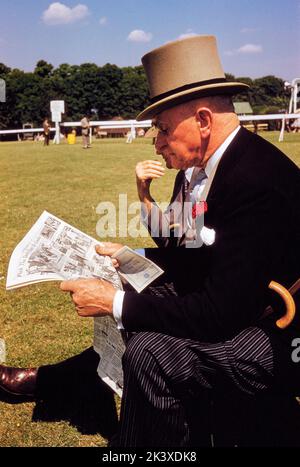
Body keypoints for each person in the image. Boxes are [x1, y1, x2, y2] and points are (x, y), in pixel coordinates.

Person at [1, 35, 299, 446]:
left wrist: (115, 302)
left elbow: (219, 313)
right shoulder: (204, 168)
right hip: (240, 306)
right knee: (131, 293)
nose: (156, 143)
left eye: (161, 129)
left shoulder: (256, 182)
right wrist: (129, 256)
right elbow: (194, 255)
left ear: (204, 120)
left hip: (279, 335)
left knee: (149, 350)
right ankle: (78, 382)